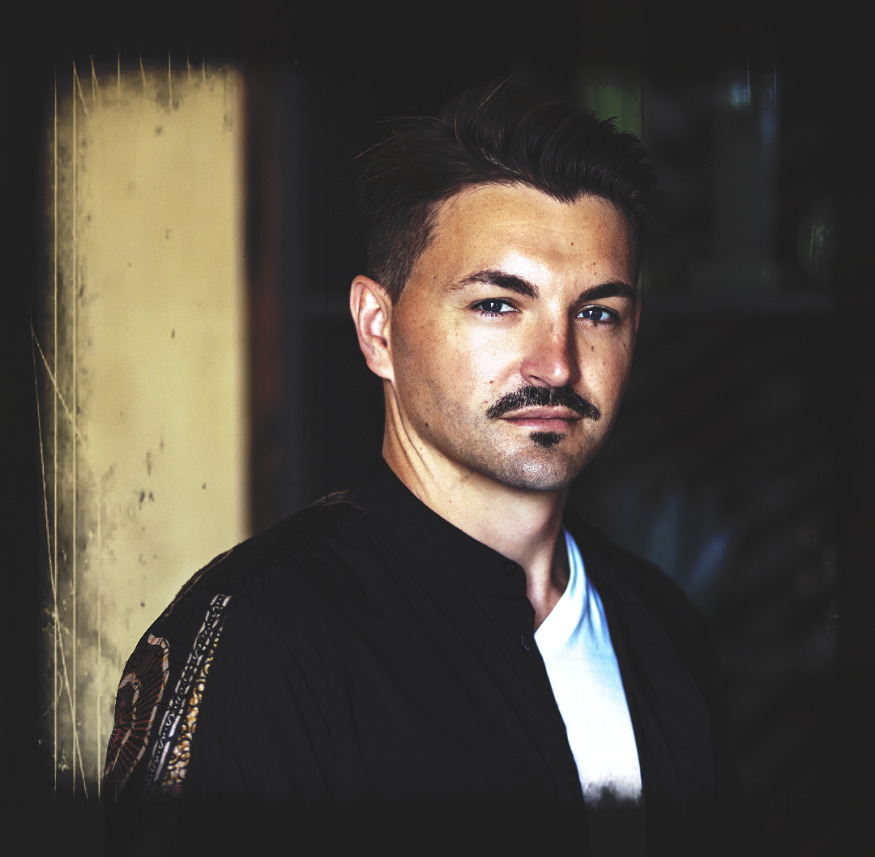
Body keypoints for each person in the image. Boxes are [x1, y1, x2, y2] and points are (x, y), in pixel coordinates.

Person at [103, 79, 740, 856]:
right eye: (497, 304)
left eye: (596, 312)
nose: (557, 363)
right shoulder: (263, 637)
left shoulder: (662, 626)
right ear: (378, 328)